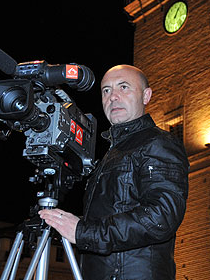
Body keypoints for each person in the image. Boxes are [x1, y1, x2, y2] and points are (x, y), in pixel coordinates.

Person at [39, 65, 189, 280]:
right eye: (106, 90)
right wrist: (73, 224)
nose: (113, 97)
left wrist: (84, 232)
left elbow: (161, 216)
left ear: (146, 96)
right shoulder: (112, 154)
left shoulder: (158, 143)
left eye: (124, 87)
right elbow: (113, 216)